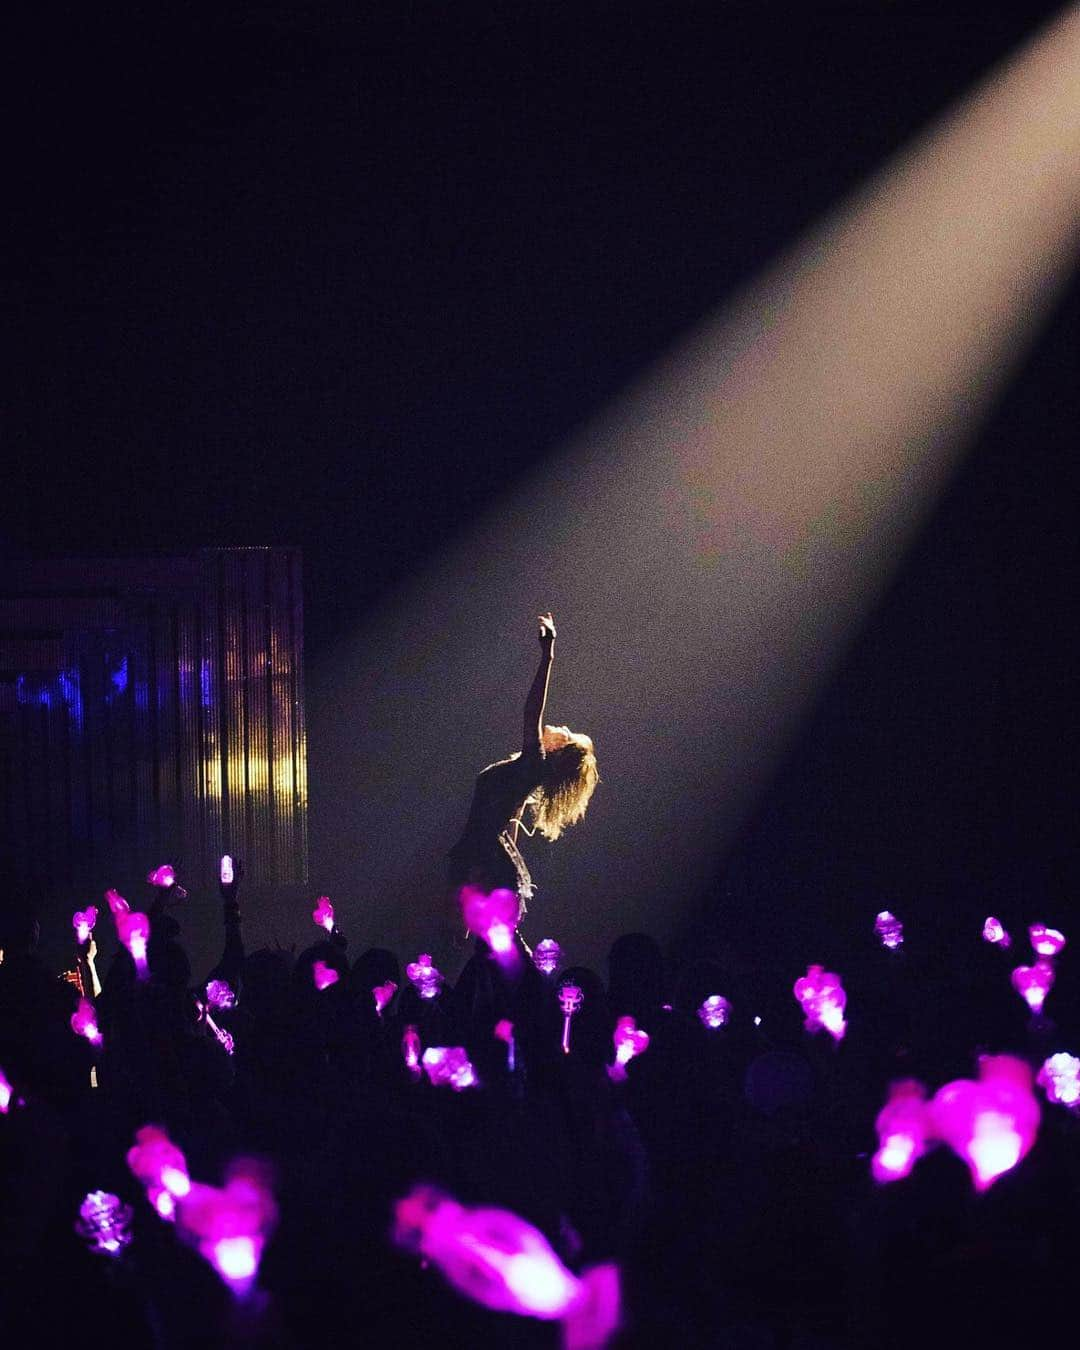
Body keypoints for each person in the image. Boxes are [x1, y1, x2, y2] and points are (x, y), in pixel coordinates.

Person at [448, 613, 599, 929]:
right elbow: (509, 823)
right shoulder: (527, 772)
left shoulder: (534, 761)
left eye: (568, 733)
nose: (564, 726)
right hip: (482, 859)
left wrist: (548, 655)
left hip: (479, 858)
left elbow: (532, 711)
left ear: (558, 749)